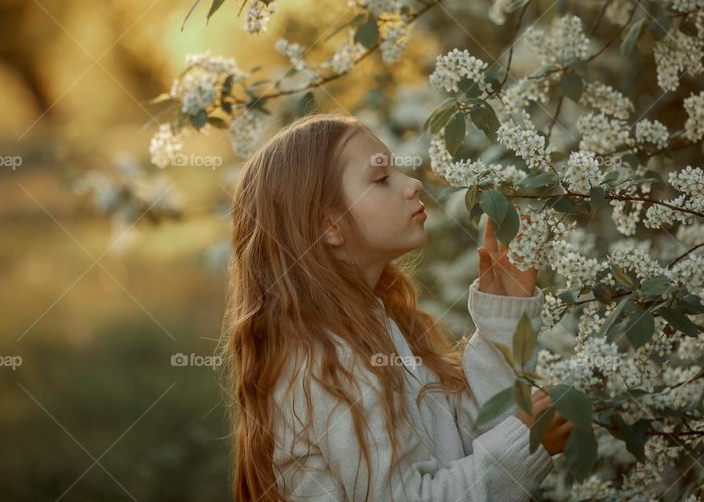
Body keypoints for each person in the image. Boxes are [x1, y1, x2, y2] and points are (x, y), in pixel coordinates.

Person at [222, 113, 573, 501]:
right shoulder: (331, 360)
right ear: (329, 226)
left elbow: (462, 448)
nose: (414, 184)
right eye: (381, 178)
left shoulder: (376, 329)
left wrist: (501, 322)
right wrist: (526, 443)